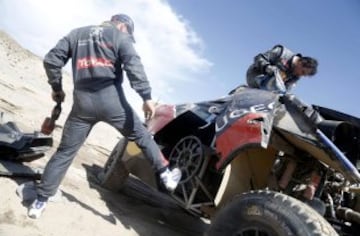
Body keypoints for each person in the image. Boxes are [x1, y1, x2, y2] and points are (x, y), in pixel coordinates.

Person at [28, 13, 182, 219]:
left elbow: (51, 60)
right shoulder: (120, 37)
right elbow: (133, 65)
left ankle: (40, 202)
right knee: (142, 136)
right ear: (123, 26)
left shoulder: (77, 34)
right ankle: (165, 174)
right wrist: (146, 96)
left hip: (82, 105)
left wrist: (57, 88)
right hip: (112, 103)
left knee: (65, 152)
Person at [246, 44, 318, 93]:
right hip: (255, 75)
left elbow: (286, 90)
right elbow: (258, 58)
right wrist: (267, 68)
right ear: (301, 62)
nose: (300, 75)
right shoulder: (281, 52)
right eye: (302, 72)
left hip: (267, 90)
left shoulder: (295, 77)